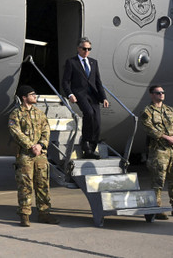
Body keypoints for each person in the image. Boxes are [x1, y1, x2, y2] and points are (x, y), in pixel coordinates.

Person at [8, 85, 59, 227]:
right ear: (24, 97)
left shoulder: (40, 113)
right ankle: (24, 215)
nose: (35, 96)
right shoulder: (16, 114)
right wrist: (31, 146)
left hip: (40, 155)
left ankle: (44, 214)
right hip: (25, 155)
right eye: (32, 94)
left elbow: (46, 130)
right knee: (25, 185)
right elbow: (15, 132)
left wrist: (41, 145)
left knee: (43, 184)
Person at [141, 85, 173, 219]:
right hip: (159, 150)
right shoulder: (147, 111)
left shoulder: (171, 110)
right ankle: (156, 209)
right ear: (152, 95)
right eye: (158, 93)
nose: (161, 95)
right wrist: (166, 137)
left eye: (162, 92)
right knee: (158, 180)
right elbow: (149, 128)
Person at [61, 37, 109, 159]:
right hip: (80, 94)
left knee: (97, 120)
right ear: (78, 49)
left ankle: (91, 149)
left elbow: (98, 81)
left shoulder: (93, 62)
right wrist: (70, 94)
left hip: (94, 95)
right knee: (88, 113)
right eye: (84, 48)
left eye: (89, 49)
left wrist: (104, 97)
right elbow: (65, 81)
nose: (86, 51)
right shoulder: (71, 62)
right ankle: (86, 143)